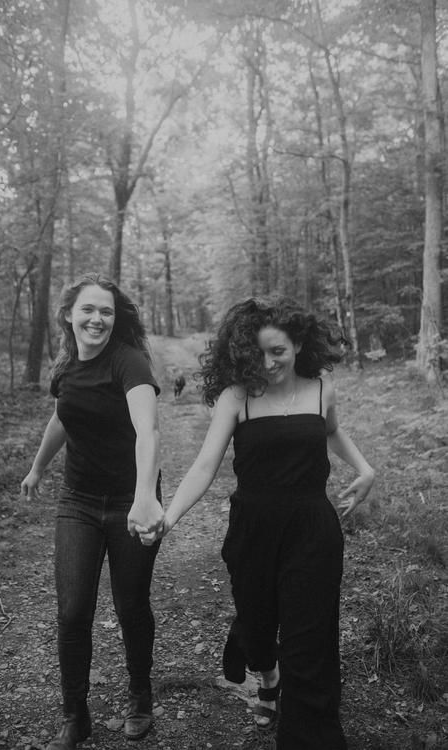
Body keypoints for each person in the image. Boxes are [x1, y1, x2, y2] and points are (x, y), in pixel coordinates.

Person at [141, 296, 374, 749]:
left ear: (299, 344)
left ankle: (312, 737)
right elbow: (205, 467)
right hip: (253, 529)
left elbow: (330, 431)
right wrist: (167, 517)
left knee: (311, 642)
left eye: (278, 352)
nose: (268, 364)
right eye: (258, 354)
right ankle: (265, 672)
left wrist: (365, 469)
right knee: (258, 623)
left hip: (312, 529)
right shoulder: (237, 397)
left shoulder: (323, 388)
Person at [21, 272, 164, 750]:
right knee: (73, 610)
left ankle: (140, 695)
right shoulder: (65, 366)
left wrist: (146, 495)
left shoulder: (130, 362)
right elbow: (63, 416)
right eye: (88, 309)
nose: (97, 318)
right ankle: (74, 715)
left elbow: (149, 431)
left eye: (106, 310)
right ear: (68, 315)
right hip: (78, 500)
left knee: (130, 604)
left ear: (114, 318)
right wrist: (39, 468)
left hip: (131, 499)